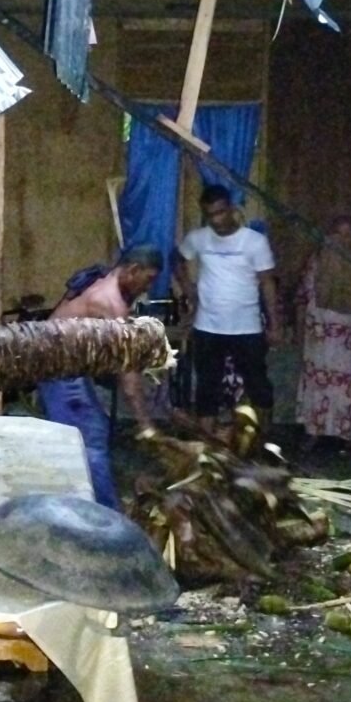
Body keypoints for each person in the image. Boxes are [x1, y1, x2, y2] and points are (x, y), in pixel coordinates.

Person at [38, 245, 165, 510]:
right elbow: (128, 381)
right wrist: (146, 425)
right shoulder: (109, 303)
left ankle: (85, 504)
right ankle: (105, 514)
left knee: (86, 434)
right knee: (89, 440)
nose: (148, 288)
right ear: (133, 270)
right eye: (148, 279)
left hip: (65, 367)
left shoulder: (104, 279)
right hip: (58, 369)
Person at [172, 185, 282, 419]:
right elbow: (177, 259)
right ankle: (208, 449)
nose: (216, 220)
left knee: (258, 386)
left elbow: (267, 283)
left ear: (232, 209)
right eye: (210, 215)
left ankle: (260, 445)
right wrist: (189, 290)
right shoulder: (198, 239)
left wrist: (275, 325)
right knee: (206, 389)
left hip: (247, 327)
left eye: (221, 212)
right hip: (207, 328)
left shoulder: (254, 242)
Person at [295, 216, 351, 450]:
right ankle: (314, 432)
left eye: (348, 234)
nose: (343, 239)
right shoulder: (317, 261)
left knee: (350, 387)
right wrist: (300, 331)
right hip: (320, 336)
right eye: (338, 233)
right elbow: (303, 297)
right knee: (318, 384)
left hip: (350, 339)